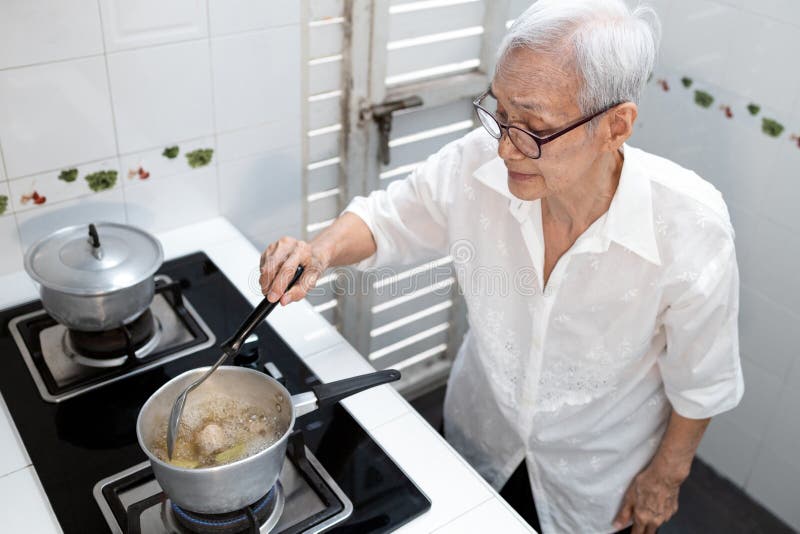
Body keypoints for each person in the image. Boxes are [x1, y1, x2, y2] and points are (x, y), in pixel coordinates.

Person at [258, 1, 744, 532]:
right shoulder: (479, 160)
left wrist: (667, 476)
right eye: (501, 114)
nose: (507, 147)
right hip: (479, 436)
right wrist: (320, 250)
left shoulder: (691, 225)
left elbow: (702, 379)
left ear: (615, 125)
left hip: (597, 479)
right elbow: (387, 218)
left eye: (533, 127)